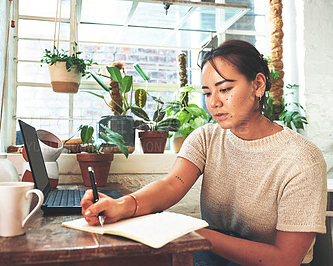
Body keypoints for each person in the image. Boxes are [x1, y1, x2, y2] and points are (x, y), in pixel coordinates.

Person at [80, 39, 327, 266]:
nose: (214, 102)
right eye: (208, 92)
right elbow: (171, 185)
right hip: (216, 253)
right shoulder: (206, 137)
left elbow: (285, 258)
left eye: (225, 89)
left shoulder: (302, 159)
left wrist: (191, 231)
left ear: (258, 85)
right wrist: (122, 205)